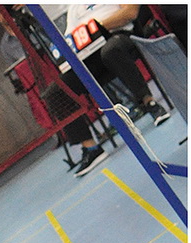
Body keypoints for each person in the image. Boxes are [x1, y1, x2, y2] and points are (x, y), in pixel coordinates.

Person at [59, 3, 170, 176]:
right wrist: (88, 35)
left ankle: (150, 103)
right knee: (60, 87)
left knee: (111, 51)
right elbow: (71, 38)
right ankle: (91, 149)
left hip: (121, 36)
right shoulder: (74, 7)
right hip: (91, 52)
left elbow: (131, 12)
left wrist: (96, 28)